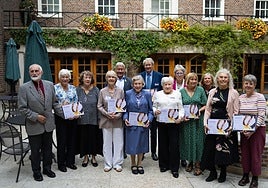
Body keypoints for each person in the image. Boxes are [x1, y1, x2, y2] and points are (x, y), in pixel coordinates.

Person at [18, 64, 60, 181]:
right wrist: (36, 116)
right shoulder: (24, 88)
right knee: (35, 151)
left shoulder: (49, 85)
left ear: (41, 72)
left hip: (48, 124)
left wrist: (66, 113)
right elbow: (22, 108)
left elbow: (54, 103)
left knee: (48, 148)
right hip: (34, 124)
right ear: (29, 73)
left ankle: (47, 168)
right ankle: (36, 171)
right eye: (32, 71)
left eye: (36, 71)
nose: (34, 73)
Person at [201, 68, 240, 183]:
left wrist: (232, 126)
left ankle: (223, 172)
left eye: (225, 77)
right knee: (210, 149)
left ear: (228, 79)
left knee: (223, 151)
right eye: (221, 77)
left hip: (226, 126)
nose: (223, 79)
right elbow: (208, 109)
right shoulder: (212, 92)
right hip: (212, 125)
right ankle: (212, 172)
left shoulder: (234, 93)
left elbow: (236, 112)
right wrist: (205, 123)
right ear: (217, 79)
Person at [238, 74, 266, 188]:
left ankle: (255, 178)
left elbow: (261, 115)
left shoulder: (260, 97)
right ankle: (245, 176)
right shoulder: (241, 97)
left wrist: (252, 130)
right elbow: (238, 114)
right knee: (245, 154)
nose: (248, 85)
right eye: (246, 83)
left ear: (254, 85)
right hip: (244, 130)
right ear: (243, 84)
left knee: (255, 155)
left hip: (257, 130)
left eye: (251, 83)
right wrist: (241, 128)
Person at [153, 76, 185, 178]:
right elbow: (154, 106)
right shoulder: (157, 94)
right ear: (162, 85)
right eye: (165, 84)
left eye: (169, 84)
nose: (167, 86)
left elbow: (181, 108)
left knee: (174, 145)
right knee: (162, 144)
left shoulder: (177, 93)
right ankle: (163, 165)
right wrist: (155, 111)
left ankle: (174, 168)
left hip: (174, 123)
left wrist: (180, 117)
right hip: (161, 122)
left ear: (172, 85)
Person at [123, 75, 154, 175]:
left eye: (139, 83)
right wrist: (125, 118)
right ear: (132, 84)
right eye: (135, 84)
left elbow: (150, 110)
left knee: (141, 143)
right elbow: (125, 109)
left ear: (143, 84)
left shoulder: (147, 94)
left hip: (143, 124)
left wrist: (149, 119)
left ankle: (140, 163)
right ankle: (132, 163)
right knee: (132, 144)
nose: (137, 85)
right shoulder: (127, 93)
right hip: (131, 123)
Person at [179, 72, 207, 176]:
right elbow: (179, 106)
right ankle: (189, 162)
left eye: (195, 79)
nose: (194, 81)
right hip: (186, 121)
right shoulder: (181, 91)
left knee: (198, 141)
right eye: (191, 79)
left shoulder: (200, 90)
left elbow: (205, 104)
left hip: (197, 120)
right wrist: (182, 116)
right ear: (187, 80)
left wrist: (200, 110)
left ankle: (198, 164)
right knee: (187, 141)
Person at [97, 70, 125, 172]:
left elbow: (123, 105)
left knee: (119, 143)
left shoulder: (121, 91)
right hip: (106, 120)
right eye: (109, 77)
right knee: (107, 143)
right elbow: (99, 105)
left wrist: (118, 115)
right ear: (106, 79)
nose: (111, 79)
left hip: (117, 120)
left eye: (113, 77)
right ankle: (108, 163)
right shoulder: (102, 91)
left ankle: (117, 163)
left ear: (116, 79)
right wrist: (106, 113)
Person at [76, 71, 103, 168]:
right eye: (85, 77)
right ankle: (85, 156)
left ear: (92, 79)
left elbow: (100, 105)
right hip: (81, 119)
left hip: (94, 119)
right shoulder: (77, 90)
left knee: (93, 138)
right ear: (82, 79)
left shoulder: (96, 90)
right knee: (83, 138)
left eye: (89, 78)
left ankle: (94, 156)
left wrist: (100, 119)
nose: (87, 79)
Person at [54, 69, 79, 172]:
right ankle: (61, 163)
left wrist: (76, 114)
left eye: (67, 77)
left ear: (69, 78)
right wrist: (62, 108)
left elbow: (76, 102)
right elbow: (53, 103)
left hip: (72, 118)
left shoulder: (73, 88)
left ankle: (70, 162)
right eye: (63, 77)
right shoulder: (54, 88)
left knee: (71, 140)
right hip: (61, 118)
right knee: (62, 141)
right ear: (59, 78)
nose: (65, 78)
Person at [140, 57, 163, 161]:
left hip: (155, 107)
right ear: (144, 66)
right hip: (143, 107)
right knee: (143, 130)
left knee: (154, 131)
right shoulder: (140, 76)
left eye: (149, 65)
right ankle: (143, 152)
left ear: (153, 65)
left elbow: (163, 92)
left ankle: (154, 152)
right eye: (146, 65)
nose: (148, 66)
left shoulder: (159, 76)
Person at [114, 62, 132, 159]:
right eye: (118, 69)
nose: (120, 71)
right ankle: (116, 150)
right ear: (115, 70)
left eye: (122, 69)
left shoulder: (129, 81)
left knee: (125, 130)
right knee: (116, 130)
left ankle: (124, 150)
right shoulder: (111, 80)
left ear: (125, 70)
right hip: (114, 109)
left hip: (126, 109)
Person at [172, 64, 187, 168]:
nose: (179, 74)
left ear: (184, 74)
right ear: (175, 74)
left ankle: (183, 158)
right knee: (175, 137)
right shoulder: (171, 83)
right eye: (177, 73)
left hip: (185, 112)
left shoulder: (188, 83)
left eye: (181, 73)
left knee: (183, 136)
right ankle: (174, 156)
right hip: (172, 113)